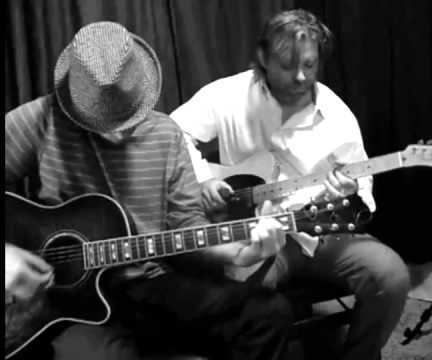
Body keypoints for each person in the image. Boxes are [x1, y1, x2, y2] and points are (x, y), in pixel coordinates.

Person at [4, 21, 294, 360]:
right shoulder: (41, 119)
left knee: (268, 313)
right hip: (54, 296)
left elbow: (188, 228)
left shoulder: (165, 135)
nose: (110, 132)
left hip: (145, 285)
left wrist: (238, 253)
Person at [171, 9, 410, 360]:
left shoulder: (336, 114)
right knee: (236, 294)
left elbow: (362, 195)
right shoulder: (228, 95)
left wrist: (346, 195)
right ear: (264, 58)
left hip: (320, 232)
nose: (300, 76)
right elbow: (172, 132)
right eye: (287, 65)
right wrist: (204, 180)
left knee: (391, 276)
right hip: (255, 235)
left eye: (310, 66)